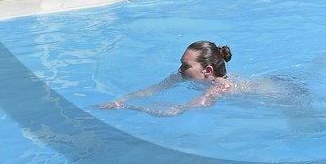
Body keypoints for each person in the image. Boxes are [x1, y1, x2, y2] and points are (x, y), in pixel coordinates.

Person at [98, 40, 239, 115]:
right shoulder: (181, 75)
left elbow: (175, 111)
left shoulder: (221, 85)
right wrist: (120, 100)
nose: (180, 69)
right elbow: (153, 90)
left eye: (185, 66)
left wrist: (128, 106)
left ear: (207, 71)